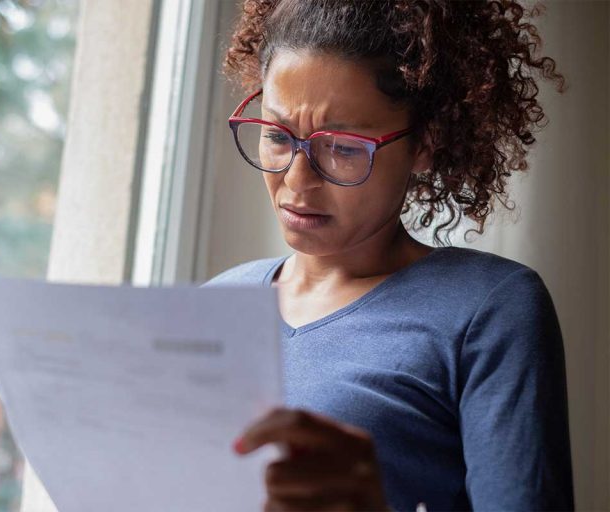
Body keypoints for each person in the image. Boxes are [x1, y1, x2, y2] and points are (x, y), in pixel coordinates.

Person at [202, 0, 574, 510]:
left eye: (344, 147)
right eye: (276, 135)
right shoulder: (214, 303)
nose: (296, 177)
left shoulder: (488, 309)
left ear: (426, 142)